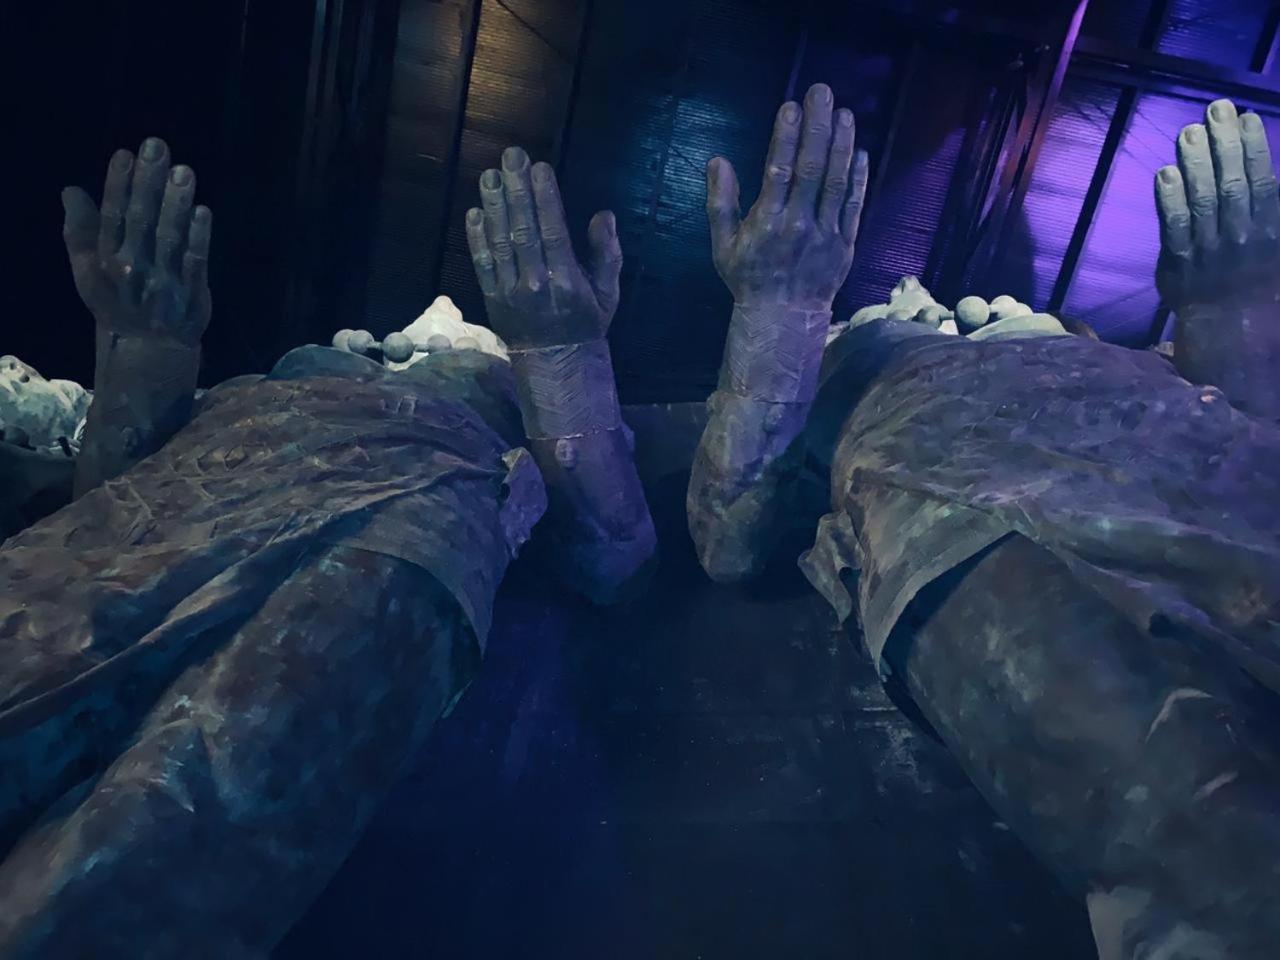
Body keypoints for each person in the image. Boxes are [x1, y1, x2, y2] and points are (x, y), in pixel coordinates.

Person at [0, 136, 653, 958]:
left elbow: (613, 555)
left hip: (406, 496)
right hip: (203, 472)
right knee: (34, 635)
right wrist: (143, 354)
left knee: (180, 801)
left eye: (463, 335)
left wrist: (562, 362)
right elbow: (107, 495)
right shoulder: (282, 375)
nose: (436, 322)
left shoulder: (498, 397)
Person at [687, 85, 1280, 959]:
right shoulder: (853, 383)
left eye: (996, 311)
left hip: (1197, 461)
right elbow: (729, 537)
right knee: (1212, 840)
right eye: (893, 316)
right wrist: (780, 317)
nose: (927, 297)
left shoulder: (1129, 364)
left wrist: (1234, 322)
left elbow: (1247, 422)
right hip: (961, 497)